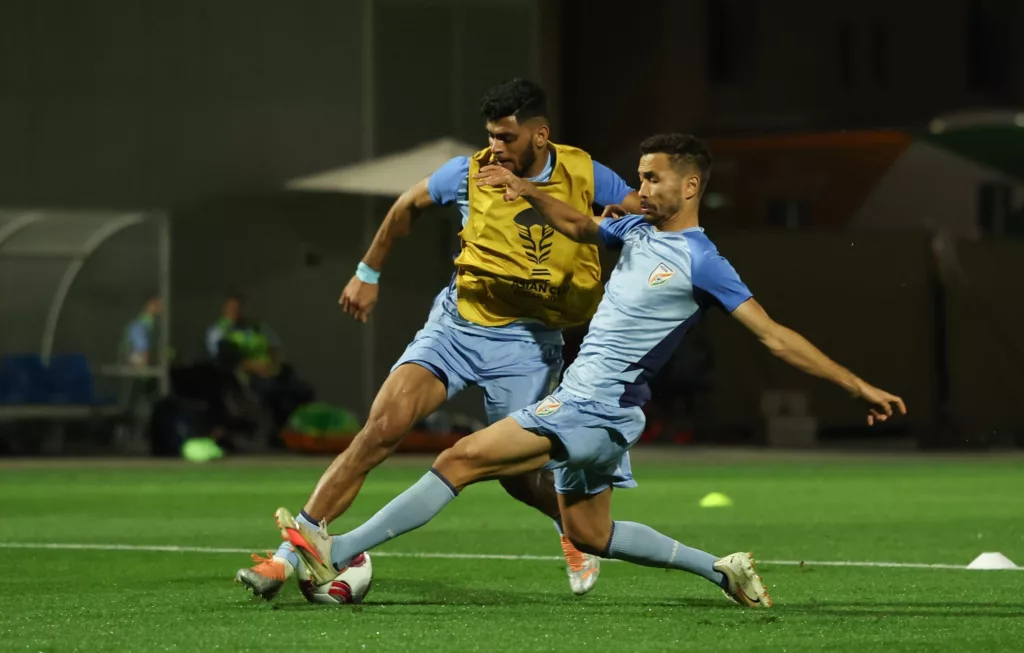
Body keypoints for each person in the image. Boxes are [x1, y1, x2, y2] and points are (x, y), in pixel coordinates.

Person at [273, 133, 907, 608]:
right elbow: (580, 223)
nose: (642, 188)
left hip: (596, 404)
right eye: (639, 177)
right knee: (590, 532)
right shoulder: (635, 230)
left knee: (458, 460)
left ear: (690, 187)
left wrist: (857, 385)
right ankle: (722, 570)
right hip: (601, 409)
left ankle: (340, 547)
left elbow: (774, 337)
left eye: (654, 179)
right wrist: (527, 191)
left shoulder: (703, 261)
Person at [236, 79, 641, 599]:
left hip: (529, 344)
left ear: (541, 136)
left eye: (507, 137)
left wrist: (624, 224)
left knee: (515, 475)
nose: (496, 147)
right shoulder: (467, 172)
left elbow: (638, 209)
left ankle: (572, 527)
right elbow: (405, 205)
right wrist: (367, 273)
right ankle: (288, 557)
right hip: (456, 327)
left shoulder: (584, 172)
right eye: (491, 135)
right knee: (380, 429)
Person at [122, 295, 164, 367]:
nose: (162, 308)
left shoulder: (156, 324)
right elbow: (143, 354)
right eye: (158, 304)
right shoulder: (139, 325)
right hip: (141, 371)